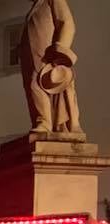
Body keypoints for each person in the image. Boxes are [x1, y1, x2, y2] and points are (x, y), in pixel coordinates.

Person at [20, 0, 82, 134]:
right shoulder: (35, 7)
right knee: (32, 88)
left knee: (37, 85)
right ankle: (41, 121)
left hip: (48, 56)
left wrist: (60, 51)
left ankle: (45, 122)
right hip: (32, 57)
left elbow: (67, 23)